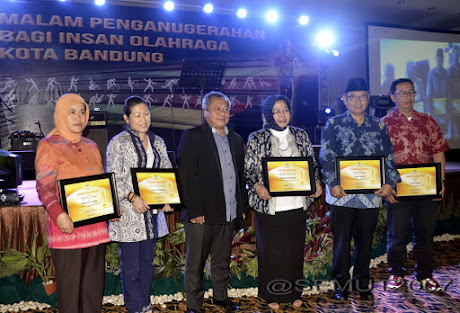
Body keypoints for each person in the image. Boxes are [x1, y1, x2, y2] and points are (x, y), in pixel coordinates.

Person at [319, 78, 400, 301]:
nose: (358, 101)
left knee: (365, 241)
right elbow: (326, 155)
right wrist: (333, 183)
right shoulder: (334, 124)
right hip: (341, 195)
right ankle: (341, 286)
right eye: (352, 96)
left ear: (369, 98)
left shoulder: (379, 125)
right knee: (342, 242)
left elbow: (388, 156)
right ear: (344, 99)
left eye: (362, 96)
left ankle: (363, 284)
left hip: (370, 196)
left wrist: (390, 182)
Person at [244, 95, 322, 310]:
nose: (282, 115)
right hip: (269, 206)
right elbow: (249, 171)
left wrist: (316, 182)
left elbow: (312, 165)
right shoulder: (256, 137)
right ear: (269, 114)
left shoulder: (301, 135)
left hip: (296, 204)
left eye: (285, 110)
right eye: (276, 111)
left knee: (294, 251)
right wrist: (258, 187)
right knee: (271, 251)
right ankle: (273, 295)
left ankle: (295, 292)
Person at [35, 93, 109, 313]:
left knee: (93, 290)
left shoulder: (91, 145)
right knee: (70, 292)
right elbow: (44, 187)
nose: (79, 117)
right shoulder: (49, 146)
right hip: (67, 228)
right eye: (72, 112)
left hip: (95, 228)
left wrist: (110, 206)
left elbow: (99, 184)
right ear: (60, 115)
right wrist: (59, 214)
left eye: (82, 111)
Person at [177, 91, 248, 313]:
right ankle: (194, 305)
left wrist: (242, 210)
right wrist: (194, 210)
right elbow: (186, 176)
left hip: (228, 212)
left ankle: (220, 297)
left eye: (226, 109)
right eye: (217, 108)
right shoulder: (193, 136)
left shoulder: (235, 139)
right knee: (195, 263)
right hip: (202, 214)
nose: (222, 113)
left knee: (222, 260)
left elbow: (240, 176)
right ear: (205, 112)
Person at [106, 96, 172, 313]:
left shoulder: (158, 141)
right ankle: (136, 308)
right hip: (129, 214)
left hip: (151, 214)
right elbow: (113, 177)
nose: (143, 119)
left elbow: (165, 173)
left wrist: (167, 197)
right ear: (126, 118)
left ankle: (145, 303)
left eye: (146, 114)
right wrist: (133, 197)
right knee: (132, 266)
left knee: (147, 265)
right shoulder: (119, 142)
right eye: (137, 115)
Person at [383, 78, 449, 292]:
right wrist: (386, 186)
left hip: (425, 188)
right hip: (398, 188)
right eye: (402, 93)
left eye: (411, 92)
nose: (407, 96)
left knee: (424, 234)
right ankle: (396, 273)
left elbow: (438, 151)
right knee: (397, 234)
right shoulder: (384, 123)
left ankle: (425, 275)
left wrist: (441, 181)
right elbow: (380, 158)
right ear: (393, 97)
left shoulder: (428, 121)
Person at [426, 48, 448, 116]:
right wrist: (430, 108)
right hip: (435, 107)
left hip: (444, 106)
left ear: (443, 60)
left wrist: (449, 107)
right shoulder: (432, 73)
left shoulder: (446, 72)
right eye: (438, 59)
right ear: (436, 59)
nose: (440, 61)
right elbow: (429, 92)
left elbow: (448, 90)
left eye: (442, 59)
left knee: (444, 126)